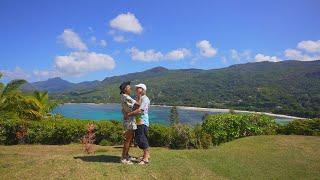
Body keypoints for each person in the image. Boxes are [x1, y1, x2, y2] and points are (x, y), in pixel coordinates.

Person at [127, 83, 150, 165]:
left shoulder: (145, 99)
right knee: (140, 139)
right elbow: (135, 107)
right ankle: (145, 155)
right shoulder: (140, 98)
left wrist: (129, 114)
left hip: (142, 122)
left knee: (142, 139)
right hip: (139, 122)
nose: (136, 89)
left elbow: (140, 110)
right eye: (136, 88)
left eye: (138, 88)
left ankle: (146, 158)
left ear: (143, 90)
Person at [119, 81, 140, 164]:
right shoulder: (126, 97)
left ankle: (126, 155)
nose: (130, 88)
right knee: (128, 140)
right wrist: (139, 96)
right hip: (129, 121)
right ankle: (123, 158)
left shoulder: (124, 96)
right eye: (128, 87)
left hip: (129, 119)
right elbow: (137, 105)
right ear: (125, 89)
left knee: (130, 139)